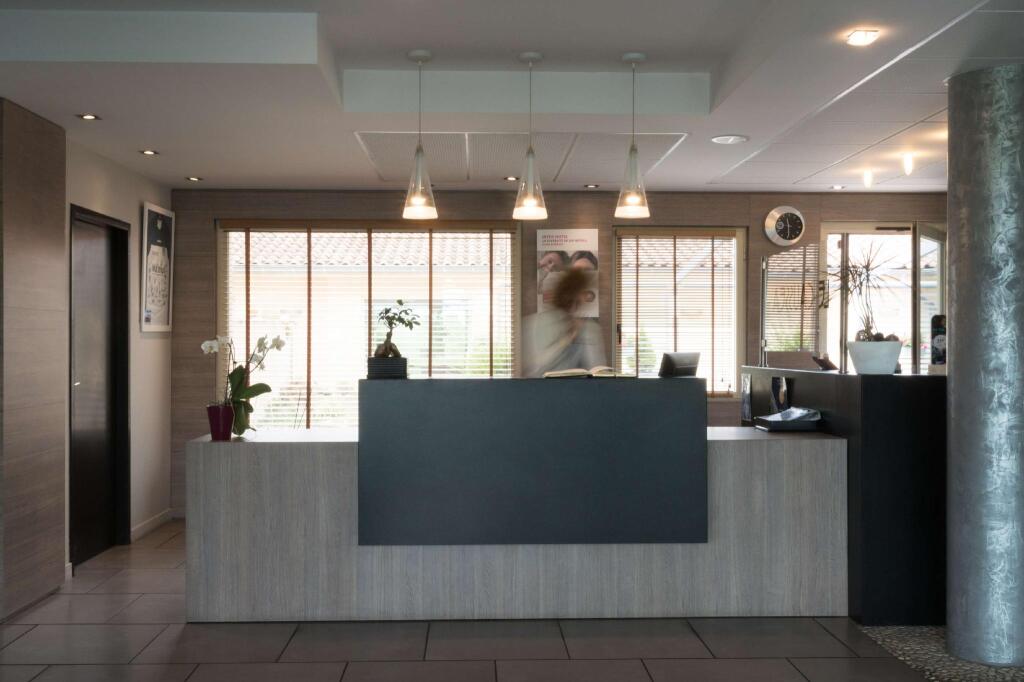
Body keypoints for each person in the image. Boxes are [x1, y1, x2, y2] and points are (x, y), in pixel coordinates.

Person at [524, 268, 606, 376]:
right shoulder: (538, 322)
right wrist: (568, 338)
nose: (586, 298)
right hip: (542, 384)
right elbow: (536, 365)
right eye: (583, 292)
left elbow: (596, 368)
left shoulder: (589, 328)